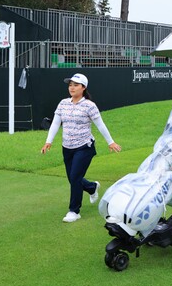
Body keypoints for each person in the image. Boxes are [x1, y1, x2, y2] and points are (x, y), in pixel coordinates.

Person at [41, 73, 122, 223]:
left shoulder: (89, 106)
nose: (72, 87)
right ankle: (92, 187)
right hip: (67, 147)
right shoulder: (63, 103)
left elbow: (100, 125)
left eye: (76, 85)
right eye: (70, 85)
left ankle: (74, 211)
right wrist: (48, 141)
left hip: (85, 147)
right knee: (73, 178)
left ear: (83, 88)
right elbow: (55, 123)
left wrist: (110, 142)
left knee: (75, 178)